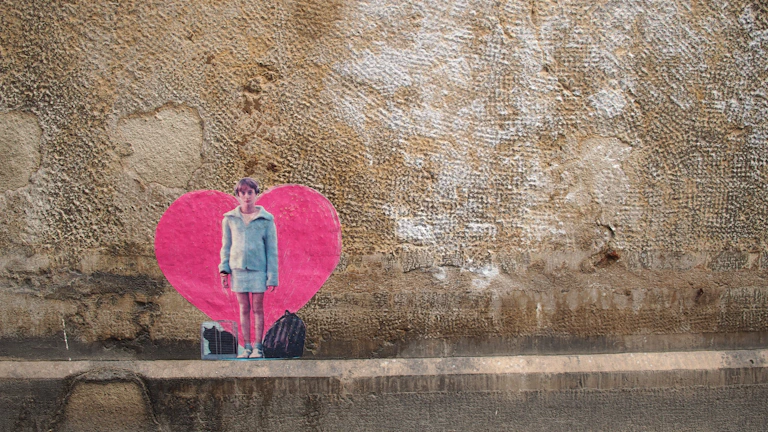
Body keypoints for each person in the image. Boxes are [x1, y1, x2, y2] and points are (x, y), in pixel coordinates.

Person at [219, 177, 278, 358]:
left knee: (258, 308)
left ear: (256, 194)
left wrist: (272, 276)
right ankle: (246, 347)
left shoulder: (266, 220)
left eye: (250, 192)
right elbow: (226, 246)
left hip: (258, 270)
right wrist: (224, 270)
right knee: (243, 308)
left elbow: (272, 250)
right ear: (237, 195)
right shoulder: (229, 219)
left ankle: (258, 347)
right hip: (238, 270)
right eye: (242, 193)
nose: (246, 197)